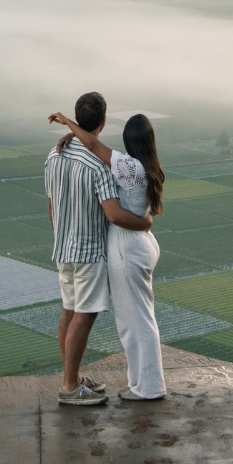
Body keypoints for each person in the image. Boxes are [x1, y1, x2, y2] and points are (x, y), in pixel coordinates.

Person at [49, 109, 166, 401]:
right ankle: (141, 384)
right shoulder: (145, 166)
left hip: (128, 246)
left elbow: (92, 146)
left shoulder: (127, 165)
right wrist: (73, 134)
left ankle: (148, 387)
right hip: (140, 244)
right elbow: (91, 145)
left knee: (135, 323)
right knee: (138, 320)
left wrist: (68, 124)